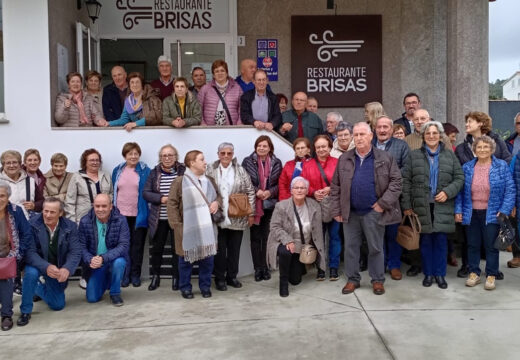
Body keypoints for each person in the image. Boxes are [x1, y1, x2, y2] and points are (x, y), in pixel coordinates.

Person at [330, 122, 402, 296]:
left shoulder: (385, 157)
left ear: (371, 136)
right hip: (350, 213)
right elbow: (335, 187)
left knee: (375, 247)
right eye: (356, 135)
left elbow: (397, 183)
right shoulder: (345, 158)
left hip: (373, 212)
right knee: (351, 248)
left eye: (362, 134)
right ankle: (353, 279)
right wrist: (336, 210)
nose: (359, 138)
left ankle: (377, 280)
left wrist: (382, 204)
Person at [401, 121, 464, 289]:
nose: (431, 136)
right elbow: (405, 181)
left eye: (435, 133)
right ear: (423, 136)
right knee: (426, 242)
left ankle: (440, 275)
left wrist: (448, 192)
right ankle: (428, 274)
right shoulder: (414, 155)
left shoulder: (450, 155)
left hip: (443, 205)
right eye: (428, 133)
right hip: (421, 205)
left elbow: (459, 178)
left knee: (441, 242)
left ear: (440, 135)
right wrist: (406, 204)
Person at [455, 111, 512, 276]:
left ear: (480, 123)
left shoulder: (498, 147)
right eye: (479, 147)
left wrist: (497, 177)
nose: (466, 125)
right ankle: (471, 269)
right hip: (471, 205)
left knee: (491, 242)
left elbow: (507, 165)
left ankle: (492, 272)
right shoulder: (462, 149)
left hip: (493, 203)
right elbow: (459, 178)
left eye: (470, 122)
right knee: (471, 242)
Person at [17, 197, 81, 327]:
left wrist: (67, 268)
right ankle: (25, 311)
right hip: (37, 265)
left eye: (52, 212)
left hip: (57, 268)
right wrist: (46, 266)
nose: (47, 215)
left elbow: (75, 252)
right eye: (45, 211)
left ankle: (37, 287)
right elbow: (30, 252)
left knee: (58, 305)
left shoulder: (71, 226)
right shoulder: (32, 224)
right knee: (31, 273)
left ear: (61, 213)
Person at [167, 151, 221, 299]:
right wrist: (177, 225)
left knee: (208, 260)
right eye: (202, 159)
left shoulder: (209, 180)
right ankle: (185, 287)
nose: (205, 162)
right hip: (187, 228)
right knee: (185, 260)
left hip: (207, 228)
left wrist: (216, 202)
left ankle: (205, 287)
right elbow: (171, 203)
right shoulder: (179, 181)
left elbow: (218, 196)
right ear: (192, 163)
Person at [206, 142, 255, 291]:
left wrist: (250, 213)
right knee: (219, 250)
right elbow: (205, 189)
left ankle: (232, 276)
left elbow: (250, 191)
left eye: (229, 153)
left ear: (232, 155)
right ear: (218, 154)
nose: (226, 156)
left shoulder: (240, 170)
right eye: (223, 153)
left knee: (234, 249)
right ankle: (220, 278)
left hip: (237, 217)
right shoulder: (210, 169)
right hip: (217, 217)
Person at [267, 177, 327, 297]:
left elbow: (325, 221)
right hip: (284, 242)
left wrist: (327, 199)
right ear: (291, 190)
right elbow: (274, 227)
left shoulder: (314, 205)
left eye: (302, 188)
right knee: (285, 252)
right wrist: (287, 240)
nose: (299, 190)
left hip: (302, 246)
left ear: (307, 191)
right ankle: (283, 283)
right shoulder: (281, 206)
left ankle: (298, 267)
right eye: (296, 188)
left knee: (295, 280)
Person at [143, 145, 185, 291]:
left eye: (170, 155)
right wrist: (161, 198)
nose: (167, 158)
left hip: (177, 218)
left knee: (177, 249)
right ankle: (156, 277)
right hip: (159, 218)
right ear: (160, 158)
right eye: (164, 156)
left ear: (176, 156)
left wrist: (177, 199)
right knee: (157, 249)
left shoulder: (183, 171)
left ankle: (176, 277)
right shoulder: (154, 172)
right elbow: (146, 193)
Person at [373, 116, 410, 280]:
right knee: (375, 234)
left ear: (391, 129)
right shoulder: (370, 145)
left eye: (385, 127)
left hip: (394, 196)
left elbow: (406, 168)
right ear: (375, 129)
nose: (382, 130)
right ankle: (380, 263)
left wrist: (387, 179)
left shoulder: (401, 146)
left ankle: (394, 265)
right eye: (379, 127)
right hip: (372, 197)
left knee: (392, 233)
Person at [242, 136, 282, 281]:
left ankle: (266, 267)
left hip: (270, 205)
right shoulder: (248, 161)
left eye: (265, 146)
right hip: (254, 205)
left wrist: (270, 192)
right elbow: (243, 181)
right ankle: (257, 268)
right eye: (259, 145)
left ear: (270, 148)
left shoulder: (276, 162)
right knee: (254, 238)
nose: (261, 148)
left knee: (267, 238)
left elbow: (280, 183)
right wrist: (256, 190)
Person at [111, 143, 150, 288]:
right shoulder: (118, 170)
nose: (133, 156)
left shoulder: (146, 171)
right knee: (123, 246)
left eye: (135, 153)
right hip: (120, 216)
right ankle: (124, 276)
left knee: (137, 246)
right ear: (124, 155)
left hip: (139, 215)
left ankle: (135, 275)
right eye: (130, 154)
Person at [79, 194, 129, 306]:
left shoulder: (121, 220)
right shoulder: (85, 221)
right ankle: (106, 281)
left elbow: (123, 245)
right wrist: (90, 259)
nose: (100, 209)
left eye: (104, 206)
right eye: (97, 206)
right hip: (95, 264)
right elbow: (81, 246)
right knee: (92, 298)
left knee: (120, 262)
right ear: (93, 206)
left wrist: (103, 258)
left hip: (112, 260)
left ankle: (115, 293)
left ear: (111, 206)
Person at [301, 135, 339, 280]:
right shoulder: (308, 165)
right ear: (314, 149)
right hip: (315, 206)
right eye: (318, 147)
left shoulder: (337, 162)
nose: (321, 149)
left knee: (335, 237)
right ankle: (321, 268)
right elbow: (303, 185)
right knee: (318, 239)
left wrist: (330, 188)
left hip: (334, 205)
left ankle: (334, 267)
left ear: (330, 147)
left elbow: (344, 182)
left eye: (324, 146)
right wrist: (313, 192)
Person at [0, 181, 31, 331]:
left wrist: (17, 254)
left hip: (9, 257)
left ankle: (6, 315)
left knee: (5, 282)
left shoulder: (16, 211)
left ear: (8, 198)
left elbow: (26, 234)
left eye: (2, 196)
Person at [65, 149, 113, 224]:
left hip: (104, 220)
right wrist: (72, 222)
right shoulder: (77, 177)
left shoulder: (106, 175)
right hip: (82, 220)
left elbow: (111, 194)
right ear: (85, 162)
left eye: (97, 160)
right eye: (92, 160)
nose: (95, 162)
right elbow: (70, 201)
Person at [198, 60, 243, 125]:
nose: (220, 73)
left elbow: (241, 109)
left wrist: (239, 124)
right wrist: (203, 124)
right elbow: (198, 109)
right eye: (217, 71)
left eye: (222, 70)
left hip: (231, 128)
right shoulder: (205, 89)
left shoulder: (237, 88)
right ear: (213, 74)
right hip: (210, 129)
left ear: (227, 73)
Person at [0, 150, 42, 219]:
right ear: (3, 165)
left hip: (27, 223)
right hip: (4, 224)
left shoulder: (30, 181)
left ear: (20, 164)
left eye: (14, 162)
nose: (11, 165)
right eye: (8, 163)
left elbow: (42, 201)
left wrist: (34, 205)